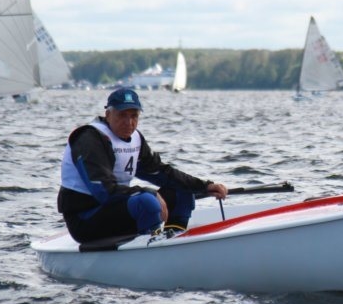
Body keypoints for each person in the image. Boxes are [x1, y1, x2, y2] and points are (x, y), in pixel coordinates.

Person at [57, 87, 228, 243]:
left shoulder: (135, 139)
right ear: (108, 115)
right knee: (147, 202)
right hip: (85, 219)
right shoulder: (89, 139)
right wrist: (148, 192)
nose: (129, 122)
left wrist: (204, 186)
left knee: (182, 191)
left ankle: (175, 239)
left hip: (113, 209)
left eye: (134, 116)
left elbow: (162, 172)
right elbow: (104, 192)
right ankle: (151, 245)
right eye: (122, 115)